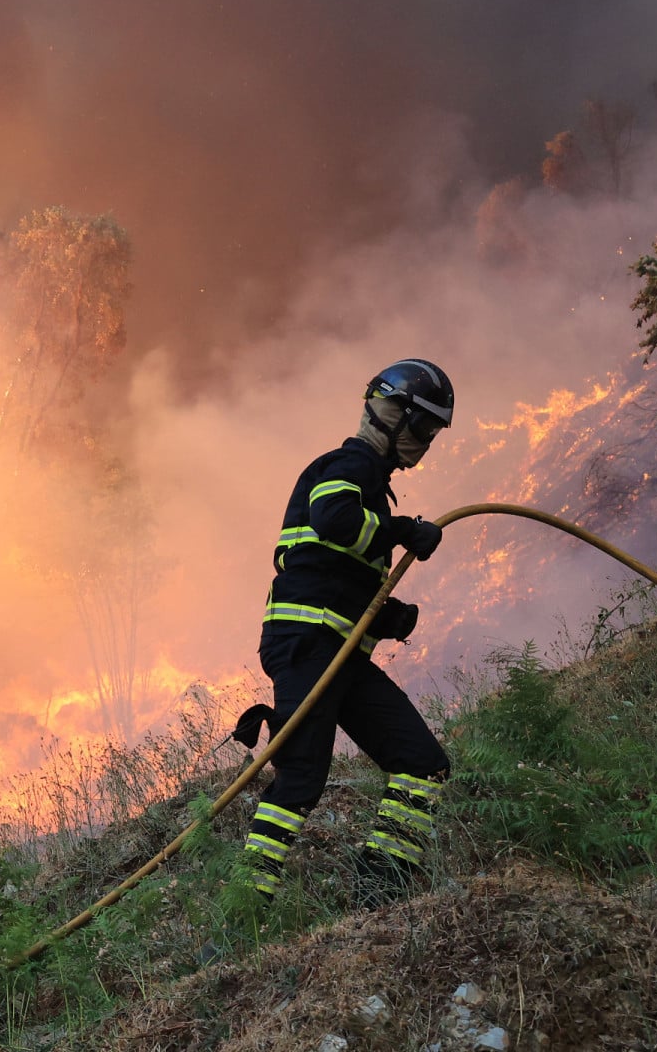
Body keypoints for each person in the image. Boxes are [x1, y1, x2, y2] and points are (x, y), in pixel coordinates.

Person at [241, 359, 455, 907]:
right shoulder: (347, 464)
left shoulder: (373, 487)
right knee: (302, 774)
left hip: (339, 652)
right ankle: (244, 905)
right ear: (395, 417)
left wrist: (388, 618)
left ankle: (378, 894)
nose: (424, 444)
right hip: (309, 643)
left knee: (421, 763)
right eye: (424, 429)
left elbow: (332, 572)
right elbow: (334, 519)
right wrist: (405, 531)